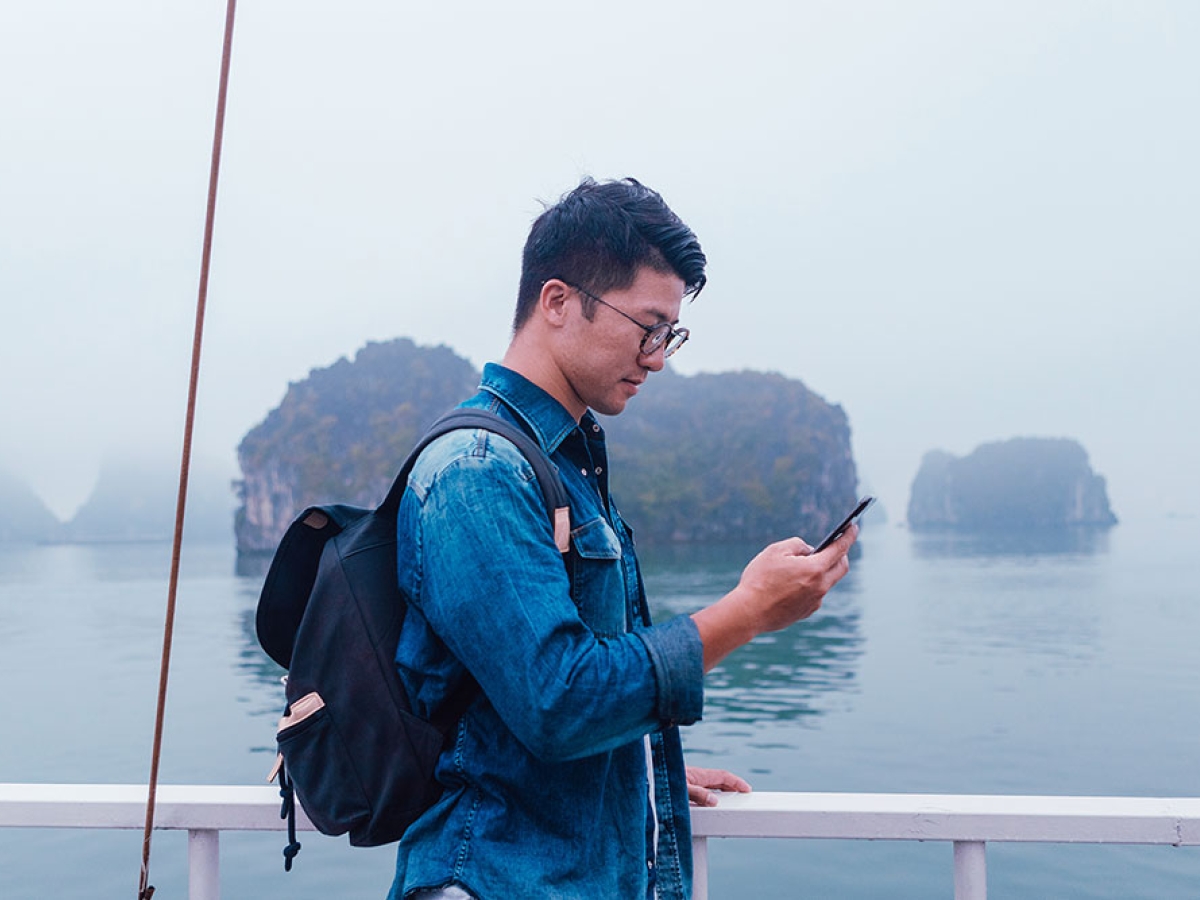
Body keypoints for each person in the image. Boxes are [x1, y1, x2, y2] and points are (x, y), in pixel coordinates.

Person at [388, 177, 857, 900]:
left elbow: (538, 701)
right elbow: (558, 700)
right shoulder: (476, 475)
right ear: (557, 302)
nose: (658, 356)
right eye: (646, 326)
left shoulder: (563, 463)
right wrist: (747, 613)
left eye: (669, 333)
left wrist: (636, 765)